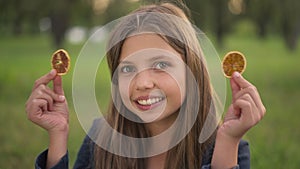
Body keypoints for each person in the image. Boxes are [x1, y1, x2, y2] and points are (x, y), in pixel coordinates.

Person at [25, 2, 266, 169]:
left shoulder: (226, 144)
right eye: (128, 69)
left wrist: (228, 143)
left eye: (160, 64)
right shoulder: (100, 138)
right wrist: (58, 136)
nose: (142, 83)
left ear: (192, 71)